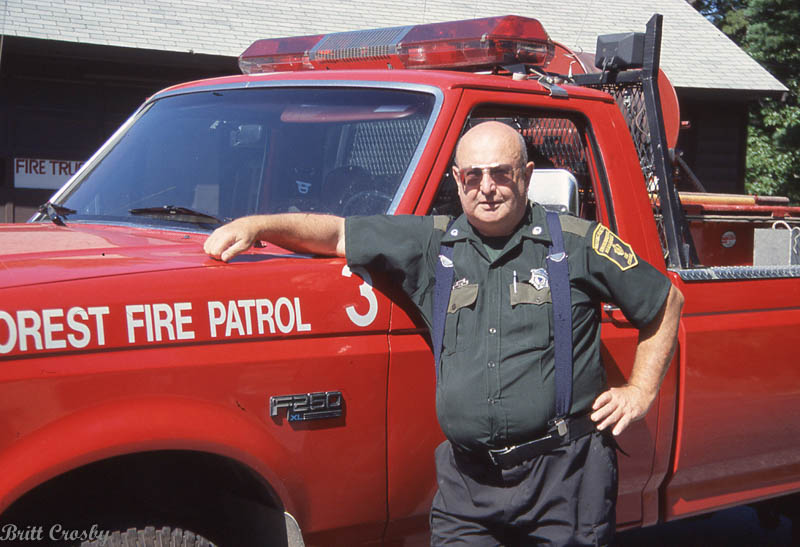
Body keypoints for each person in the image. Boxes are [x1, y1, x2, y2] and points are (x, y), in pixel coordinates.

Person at [204, 121, 684, 546]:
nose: (487, 187)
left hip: (563, 475)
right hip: (468, 482)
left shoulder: (579, 243)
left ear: (528, 175)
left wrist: (640, 390)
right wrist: (260, 224)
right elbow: (338, 234)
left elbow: (665, 300)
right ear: (457, 179)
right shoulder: (431, 244)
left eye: (502, 173)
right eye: (473, 176)